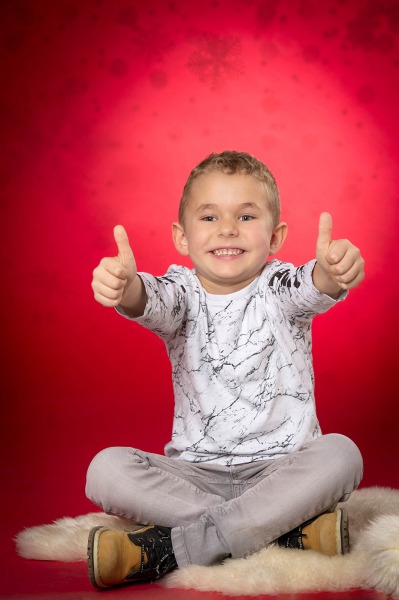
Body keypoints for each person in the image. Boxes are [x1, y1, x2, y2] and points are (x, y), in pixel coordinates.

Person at [86, 150, 364, 589]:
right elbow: (147, 299)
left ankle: (168, 550)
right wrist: (126, 286)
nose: (228, 229)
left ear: (275, 237)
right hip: (195, 477)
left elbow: (314, 285)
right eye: (209, 217)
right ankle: (285, 533)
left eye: (247, 216)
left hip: (282, 471)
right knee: (105, 470)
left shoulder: (280, 288)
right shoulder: (180, 292)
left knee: (342, 455)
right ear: (182, 237)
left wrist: (333, 272)